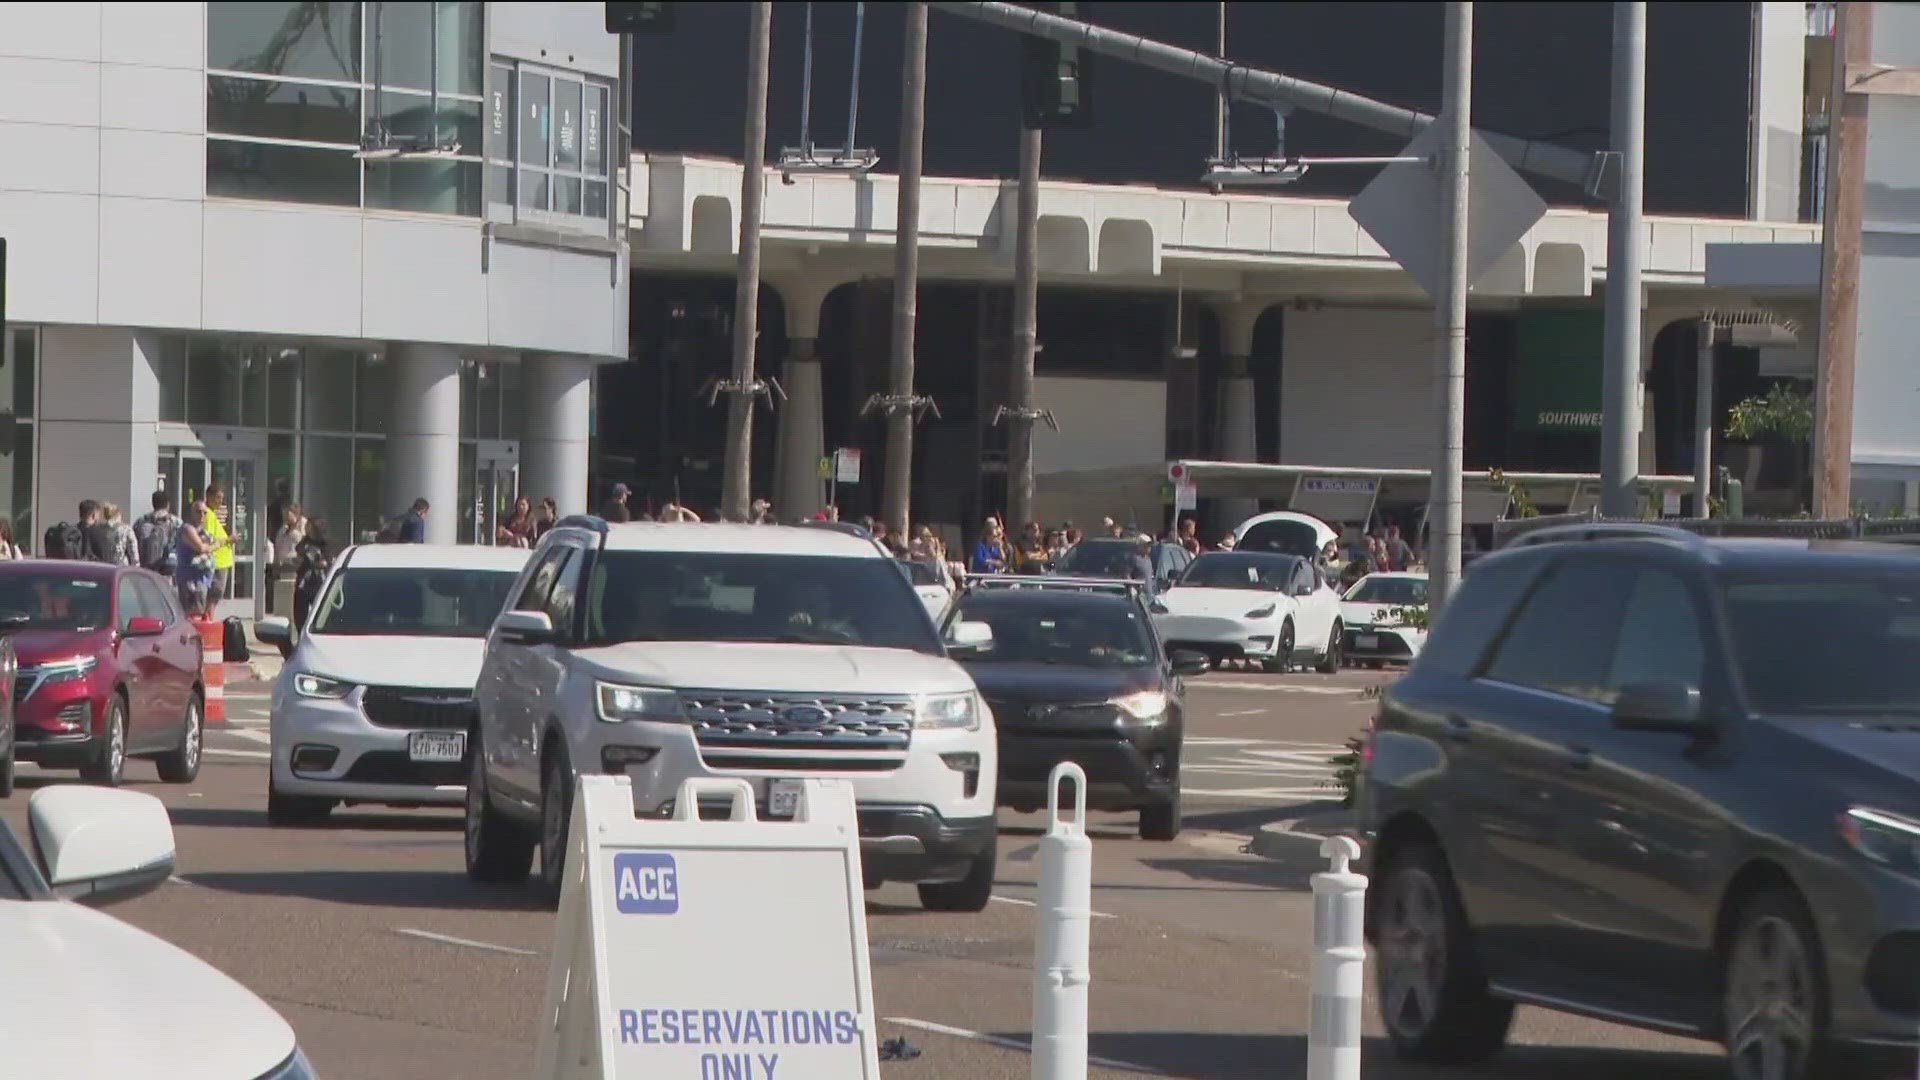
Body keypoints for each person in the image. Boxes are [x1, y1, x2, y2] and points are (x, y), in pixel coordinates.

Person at [173, 500, 216, 618]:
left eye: (204, 513)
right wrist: (215, 546)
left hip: (202, 579)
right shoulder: (187, 529)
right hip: (190, 580)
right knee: (193, 614)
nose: (202, 515)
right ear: (192, 513)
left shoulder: (202, 530)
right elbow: (201, 548)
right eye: (198, 512)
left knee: (200, 611)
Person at [291, 519, 332, 633]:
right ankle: (300, 634)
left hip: (318, 583)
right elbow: (299, 550)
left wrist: (317, 561)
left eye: (309, 526)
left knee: (318, 612)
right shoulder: (305, 541)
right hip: (303, 582)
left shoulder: (324, 544)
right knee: (300, 616)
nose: (306, 528)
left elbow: (326, 562)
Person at [201, 484, 236, 607]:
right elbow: (209, 539)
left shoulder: (212, 514)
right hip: (217, 563)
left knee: (214, 597)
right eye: (217, 497)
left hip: (220, 562)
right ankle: (209, 621)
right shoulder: (208, 515)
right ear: (208, 496)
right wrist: (228, 540)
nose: (220, 501)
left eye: (222, 498)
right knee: (213, 597)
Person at [268, 503, 305, 614]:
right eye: (284, 515)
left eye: (288, 515)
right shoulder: (281, 532)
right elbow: (277, 549)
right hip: (281, 567)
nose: (286, 518)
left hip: (293, 568)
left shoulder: (298, 534)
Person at [134, 490, 180, 575]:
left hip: (145, 565)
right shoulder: (175, 522)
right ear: (168, 504)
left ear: (153, 503)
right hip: (167, 566)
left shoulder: (141, 521)